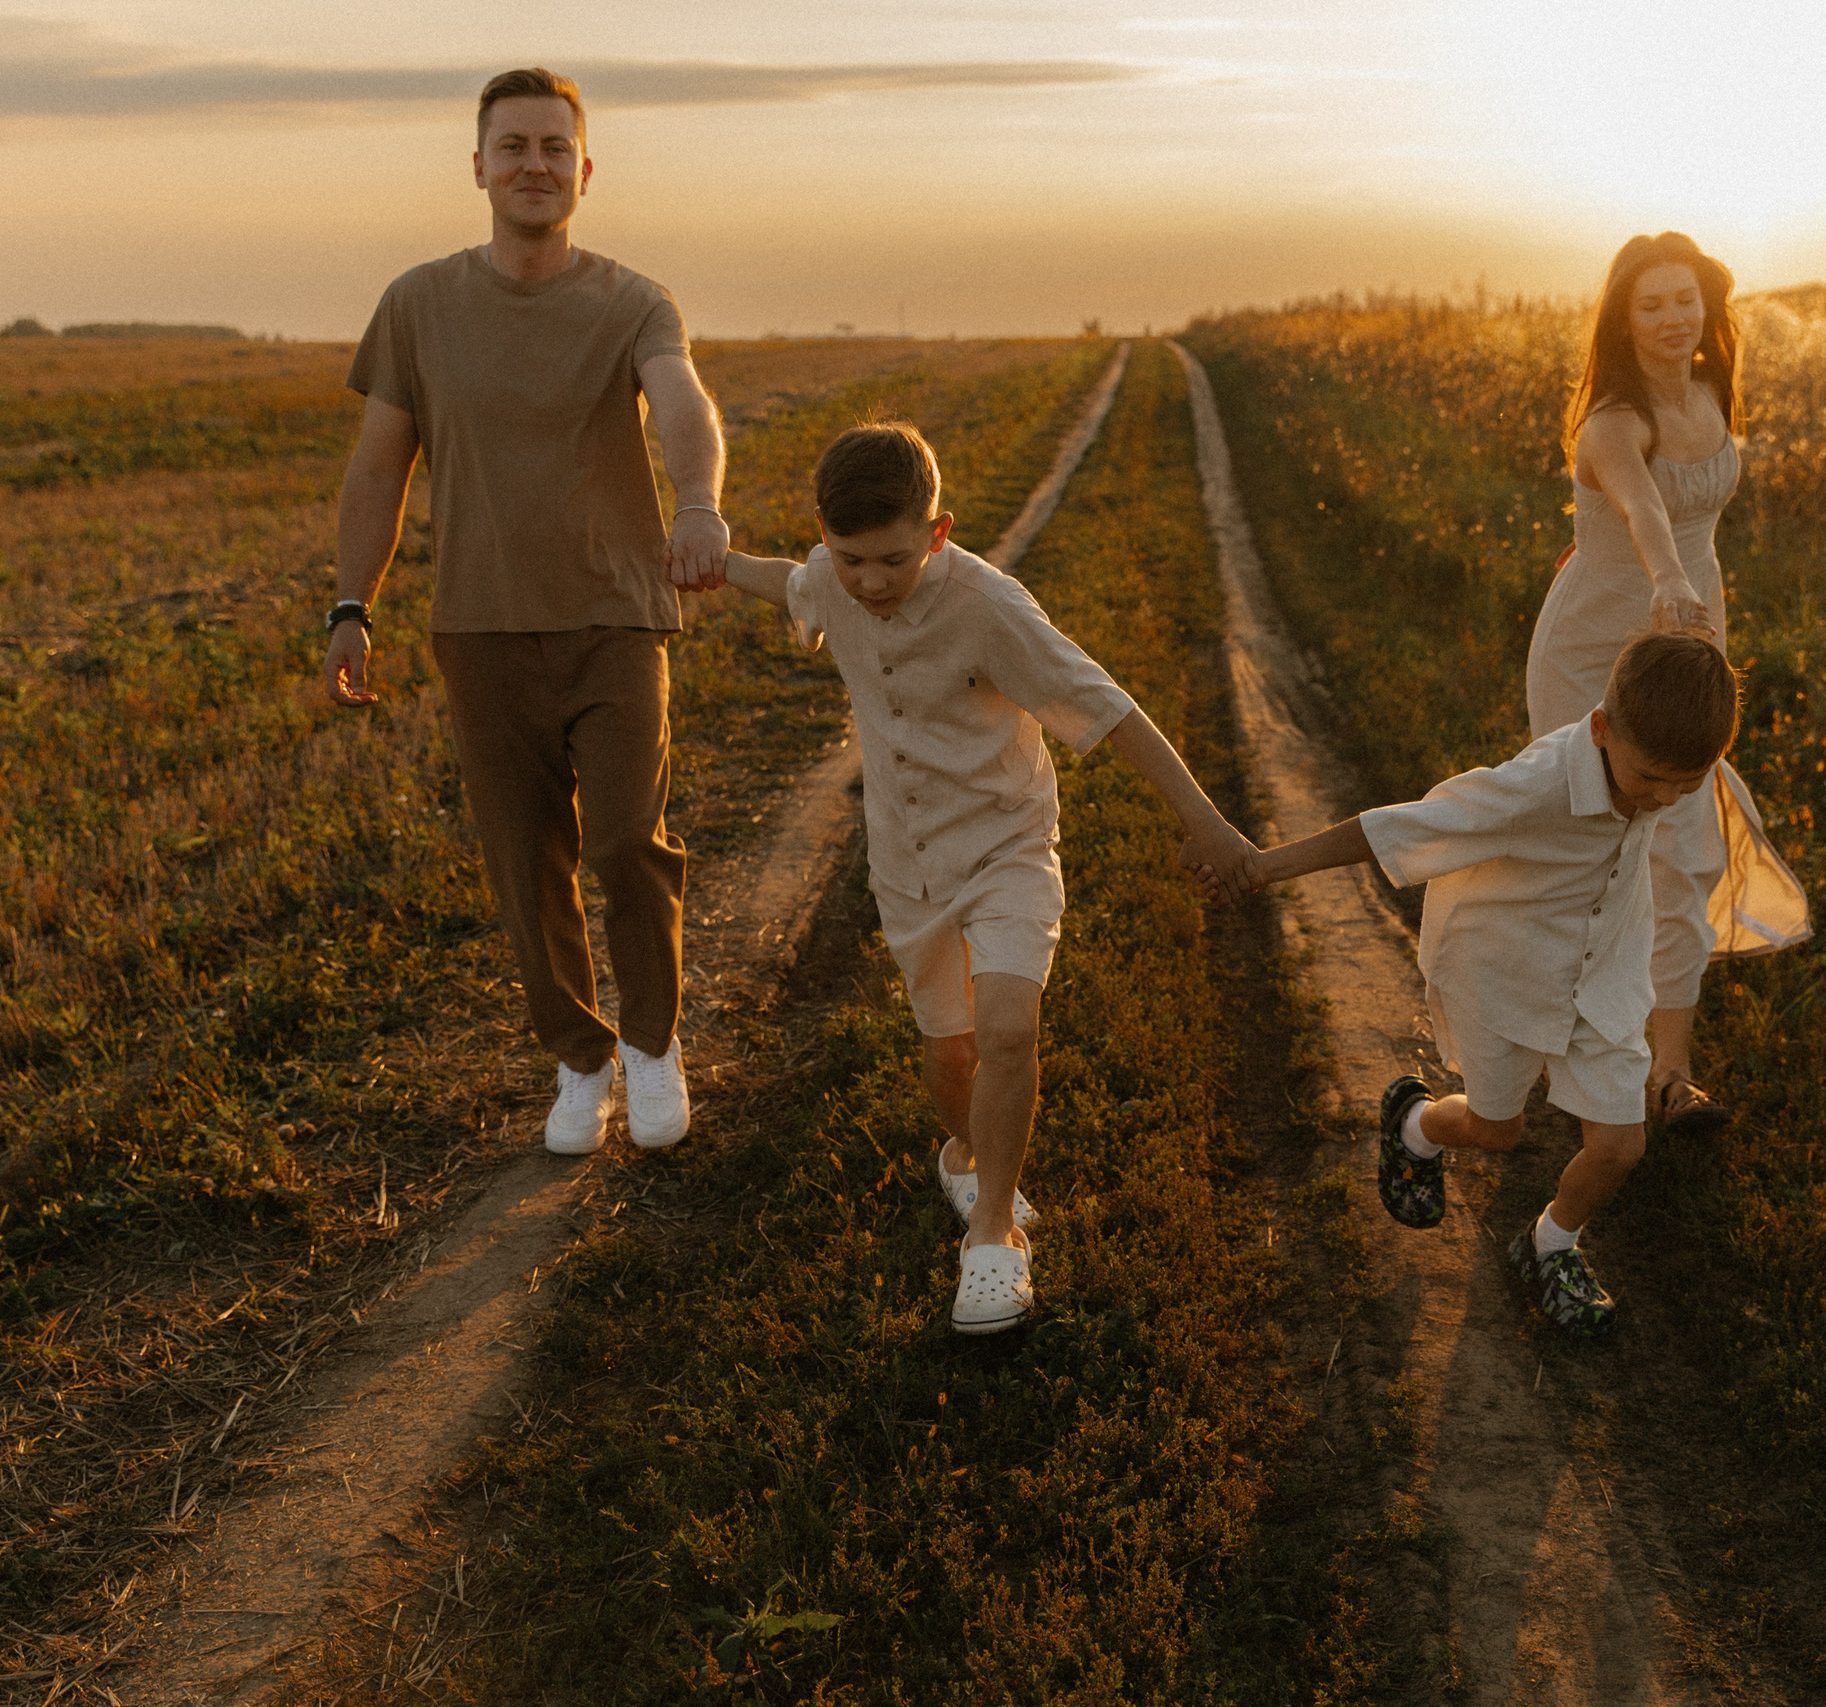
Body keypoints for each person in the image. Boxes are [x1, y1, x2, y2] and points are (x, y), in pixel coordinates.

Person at [706, 423, 1254, 1333]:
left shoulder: (991, 609)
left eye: (893, 558)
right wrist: (707, 556)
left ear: (937, 531)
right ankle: (966, 1158)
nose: (872, 583)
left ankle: (994, 1241)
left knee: (1007, 1027)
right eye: (853, 560)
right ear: (825, 533)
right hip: (907, 859)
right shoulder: (827, 577)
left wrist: (1206, 821)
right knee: (950, 1049)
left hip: (1005, 843)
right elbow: (785, 580)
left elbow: (1110, 710)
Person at [322, 68, 730, 1157]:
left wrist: (698, 503)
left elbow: (684, 401)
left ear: (584, 173)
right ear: (478, 169)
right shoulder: (418, 303)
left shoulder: (634, 299)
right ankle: (579, 1056)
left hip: (615, 615)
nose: (534, 166)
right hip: (480, 623)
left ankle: (651, 1045)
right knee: (523, 857)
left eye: (554, 148)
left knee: (627, 840)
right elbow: (377, 470)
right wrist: (350, 608)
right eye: (513, 148)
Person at [1246, 633, 1738, 1336]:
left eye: (1684, 785)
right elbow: (1400, 827)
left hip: (1602, 980)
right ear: (1600, 729)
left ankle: (1548, 1246)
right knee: (1495, 1129)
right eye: (1651, 780)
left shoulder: (1662, 759)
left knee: (1621, 1145)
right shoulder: (1535, 786)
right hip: (1504, 973)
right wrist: (1265, 866)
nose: (1663, 798)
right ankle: (1414, 1123)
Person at [1523, 232, 1811, 1140]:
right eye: (1650, 304)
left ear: (1706, 306)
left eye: (1683, 299)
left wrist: (1693, 605)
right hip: (1595, 655)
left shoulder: (1712, 392)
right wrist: (1666, 581)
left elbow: (1696, 521)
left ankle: (1669, 1079)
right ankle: (1550, 1048)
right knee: (1590, 861)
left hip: (1688, 644)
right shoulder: (1612, 419)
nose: (1670, 318)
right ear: (1622, 316)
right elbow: (1647, 509)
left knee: (1686, 856)